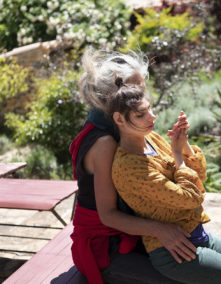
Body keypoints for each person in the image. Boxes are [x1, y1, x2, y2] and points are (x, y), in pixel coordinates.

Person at [101, 59, 221, 283]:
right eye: (141, 115)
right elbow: (191, 198)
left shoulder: (152, 139)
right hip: (173, 252)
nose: (152, 117)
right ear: (119, 119)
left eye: (150, 110)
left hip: (197, 235)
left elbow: (199, 177)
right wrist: (177, 156)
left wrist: (183, 146)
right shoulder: (129, 168)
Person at [69, 49, 197, 284]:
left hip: (130, 234)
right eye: (134, 88)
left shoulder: (123, 128)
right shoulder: (105, 143)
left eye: (142, 87)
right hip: (107, 248)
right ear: (112, 97)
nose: (141, 95)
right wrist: (160, 230)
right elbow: (107, 215)